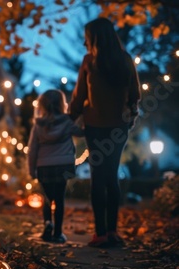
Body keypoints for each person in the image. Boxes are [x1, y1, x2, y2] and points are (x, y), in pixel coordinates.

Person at [69, 17, 140, 247]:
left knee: (98, 177)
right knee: (111, 176)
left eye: (87, 37)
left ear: (94, 37)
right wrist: (129, 116)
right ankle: (112, 232)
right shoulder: (126, 60)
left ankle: (101, 233)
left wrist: (68, 119)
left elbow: (79, 96)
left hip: (96, 126)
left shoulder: (89, 61)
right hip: (118, 126)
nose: (84, 41)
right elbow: (135, 94)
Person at [28, 89, 84, 243]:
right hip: (63, 165)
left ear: (42, 105)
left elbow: (32, 149)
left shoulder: (38, 125)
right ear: (61, 103)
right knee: (59, 199)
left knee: (47, 199)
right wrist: (81, 117)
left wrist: (31, 170)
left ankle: (47, 225)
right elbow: (81, 132)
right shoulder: (67, 122)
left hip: (44, 166)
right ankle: (58, 233)